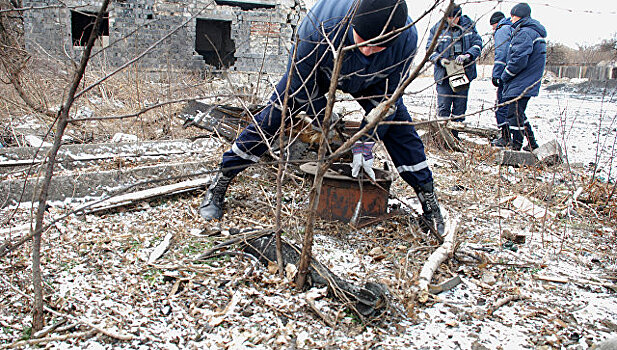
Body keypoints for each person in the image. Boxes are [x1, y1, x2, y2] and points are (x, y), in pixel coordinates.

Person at [198, 0, 445, 235]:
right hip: (318, 73)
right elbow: (300, 85)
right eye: (363, 40)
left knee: (400, 127)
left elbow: (387, 100)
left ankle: (428, 200)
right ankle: (222, 180)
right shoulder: (319, 26)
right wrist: (322, 119)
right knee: (274, 115)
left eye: (378, 46)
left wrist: (366, 141)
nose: (368, 51)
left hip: (374, 81)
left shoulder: (406, 40)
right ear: (353, 24)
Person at [426, 5, 482, 136]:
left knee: (459, 107)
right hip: (443, 74)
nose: (451, 20)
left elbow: (478, 44)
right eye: (449, 17)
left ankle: (455, 136)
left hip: (463, 72)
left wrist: (468, 55)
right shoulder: (437, 29)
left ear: (459, 16)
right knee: (443, 106)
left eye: (454, 18)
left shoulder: (469, 26)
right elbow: (429, 50)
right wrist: (440, 60)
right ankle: (442, 137)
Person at [500, 3, 545, 151]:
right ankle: (532, 144)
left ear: (520, 16)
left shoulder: (524, 33)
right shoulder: (533, 32)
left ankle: (516, 145)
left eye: (513, 16)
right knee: (519, 113)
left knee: (514, 113)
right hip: (528, 81)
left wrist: (505, 75)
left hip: (521, 82)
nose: (511, 19)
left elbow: (518, 59)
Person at [489, 11, 512, 147]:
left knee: (501, 106)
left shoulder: (502, 30)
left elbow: (501, 54)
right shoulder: (513, 28)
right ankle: (524, 141)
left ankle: (505, 137)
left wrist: (497, 75)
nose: (492, 29)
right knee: (512, 107)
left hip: (505, 75)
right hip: (513, 74)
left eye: (492, 26)